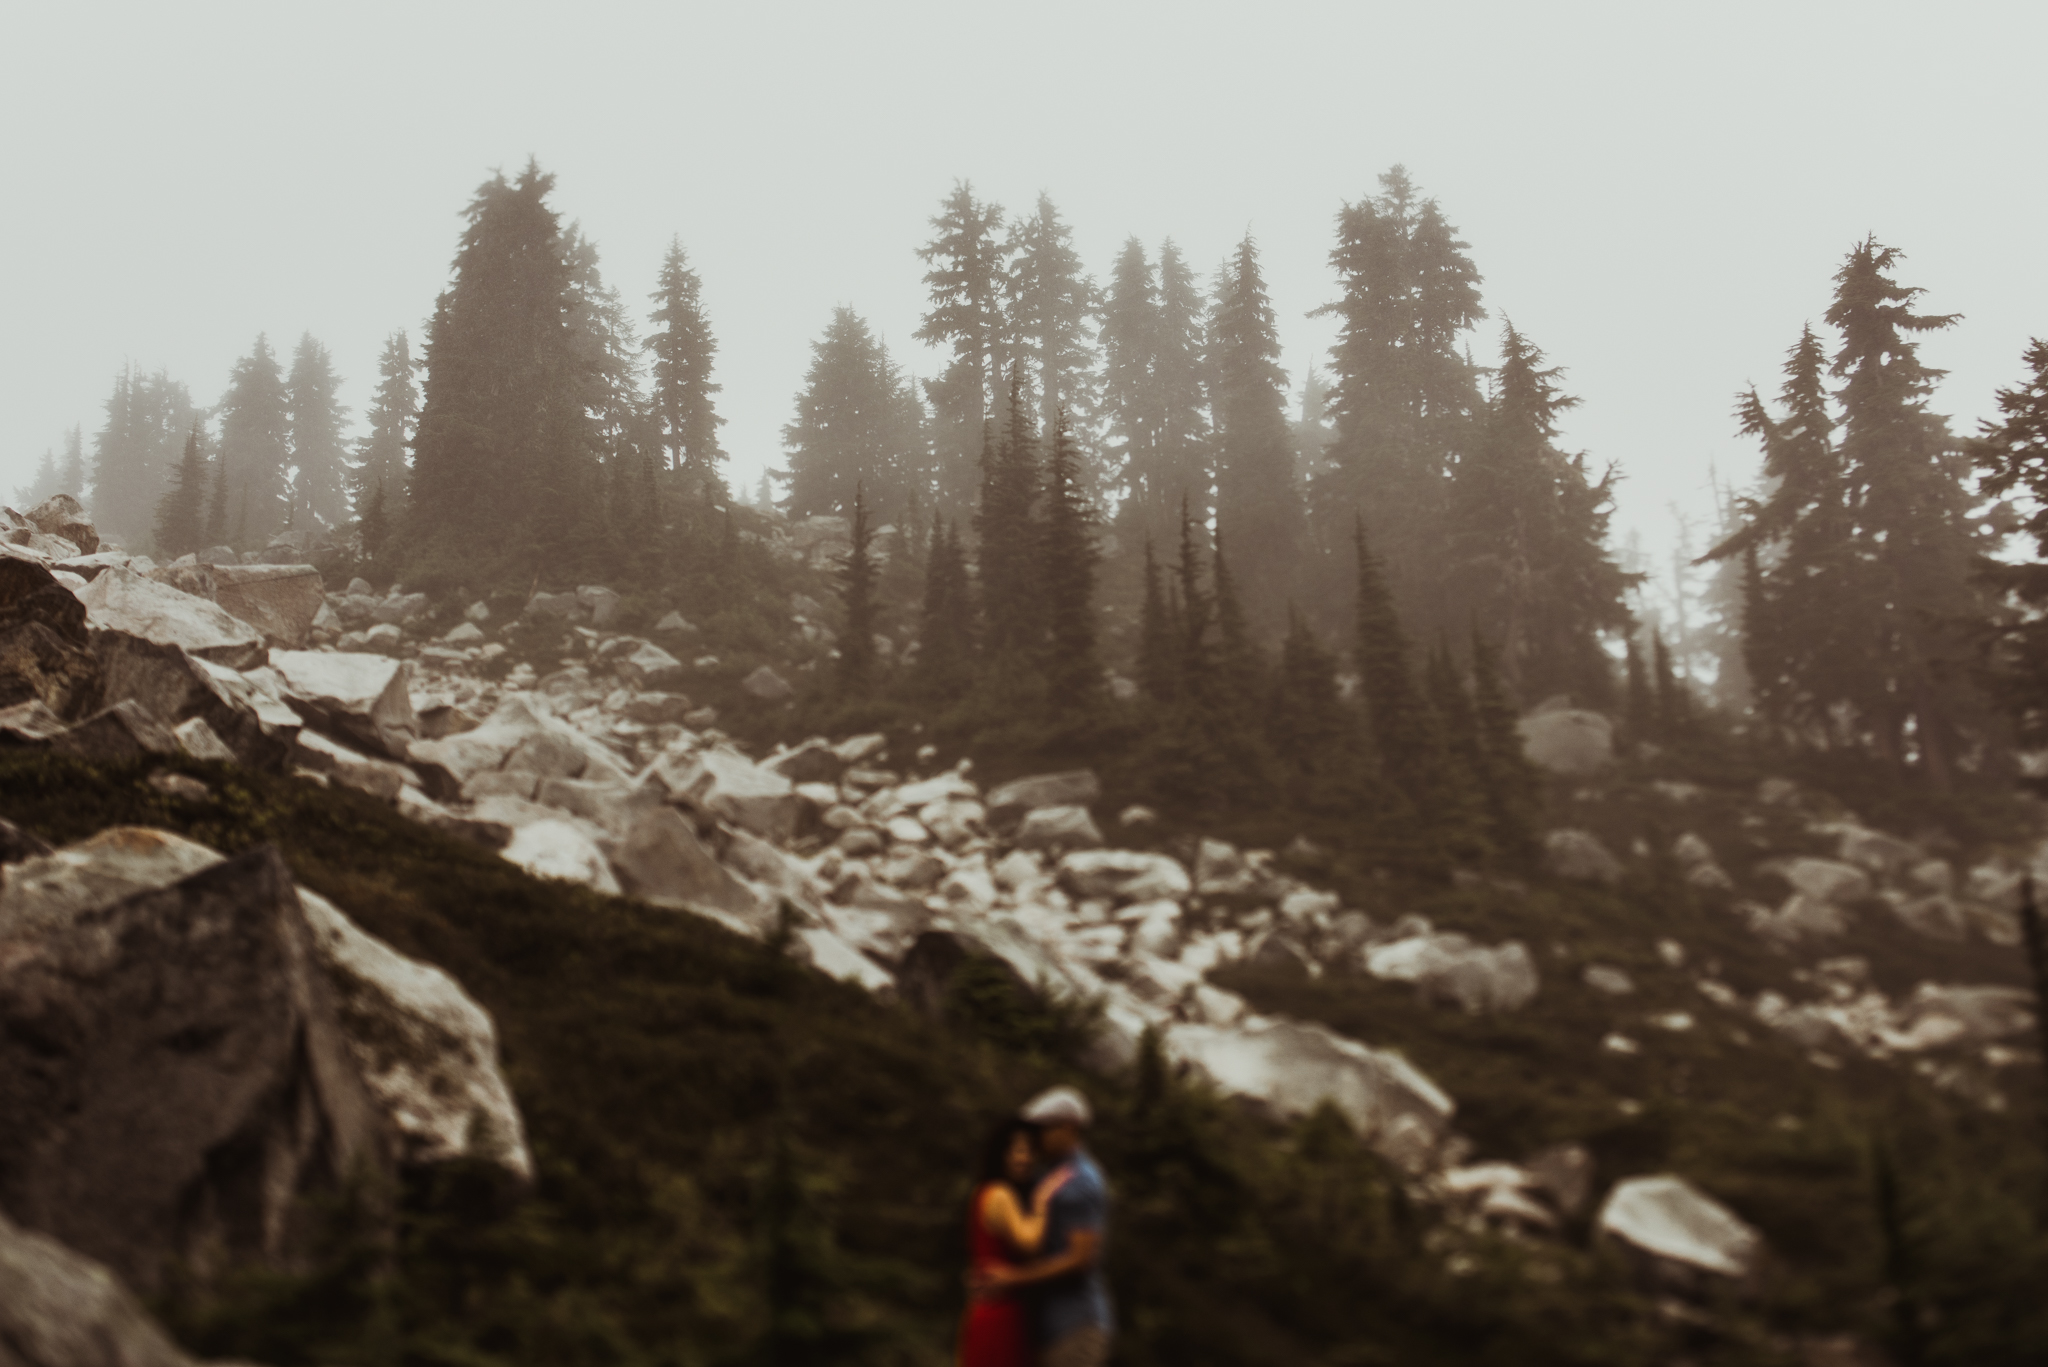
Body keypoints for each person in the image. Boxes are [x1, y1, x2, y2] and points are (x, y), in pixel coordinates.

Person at [976, 1086, 1113, 1367]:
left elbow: (1080, 1259)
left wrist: (1013, 1278)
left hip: (1074, 1327)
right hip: (1045, 1327)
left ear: (1069, 1128)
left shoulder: (1080, 1181)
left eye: (1043, 1129)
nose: (1036, 1137)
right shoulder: (1049, 1173)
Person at [958, 1119, 1071, 1367]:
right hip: (1001, 1312)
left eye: (1030, 1150)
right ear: (1000, 1154)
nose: (1025, 1158)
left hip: (987, 1309)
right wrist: (1042, 1202)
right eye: (1016, 1150)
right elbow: (1029, 1243)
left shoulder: (982, 1191)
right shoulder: (1000, 1193)